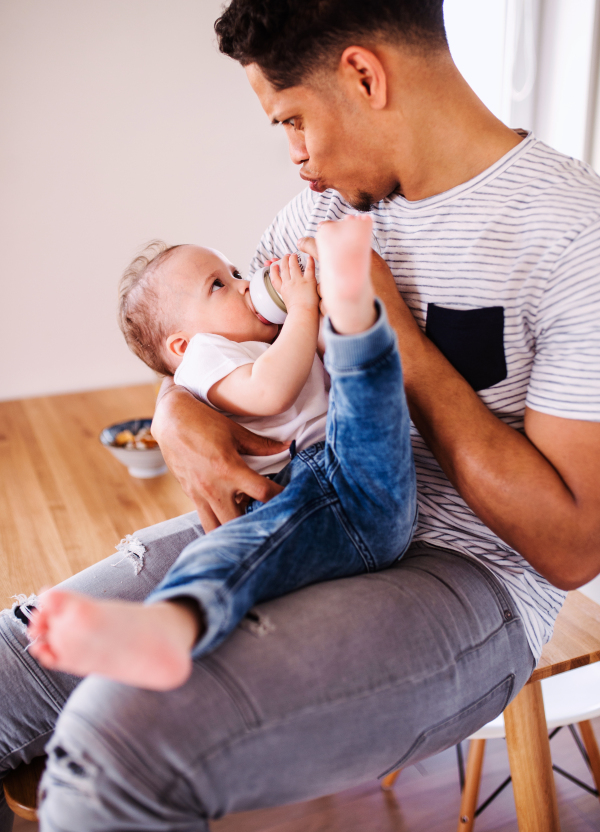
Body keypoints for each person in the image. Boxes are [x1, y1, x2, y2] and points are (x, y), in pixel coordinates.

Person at [1, 1, 599, 829]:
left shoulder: (576, 236)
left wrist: (393, 335)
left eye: (292, 120)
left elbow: (572, 547)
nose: (296, 159)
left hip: (468, 578)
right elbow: (214, 346)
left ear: (363, 74)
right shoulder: (315, 213)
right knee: (14, 656)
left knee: (120, 739)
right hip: (301, 512)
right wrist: (176, 414)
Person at [26, 216, 417, 690]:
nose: (244, 284)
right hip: (301, 491)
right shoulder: (205, 358)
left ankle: (353, 305)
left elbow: (327, 374)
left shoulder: (265, 341)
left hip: (363, 476)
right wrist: (300, 310)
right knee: (224, 557)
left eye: (234, 272)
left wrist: (317, 308)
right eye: (219, 284)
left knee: (372, 394)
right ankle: (168, 629)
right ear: (182, 343)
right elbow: (269, 391)